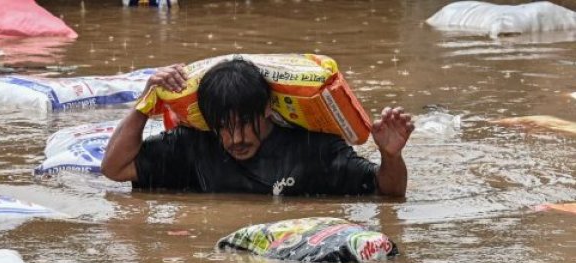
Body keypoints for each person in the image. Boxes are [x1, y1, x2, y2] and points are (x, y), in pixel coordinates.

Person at [100, 58, 414, 197]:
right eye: (223, 127)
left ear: (267, 109)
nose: (235, 138)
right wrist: (145, 103)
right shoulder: (192, 145)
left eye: (243, 124)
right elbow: (115, 168)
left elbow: (388, 193)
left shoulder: (313, 149)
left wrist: (390, 156)